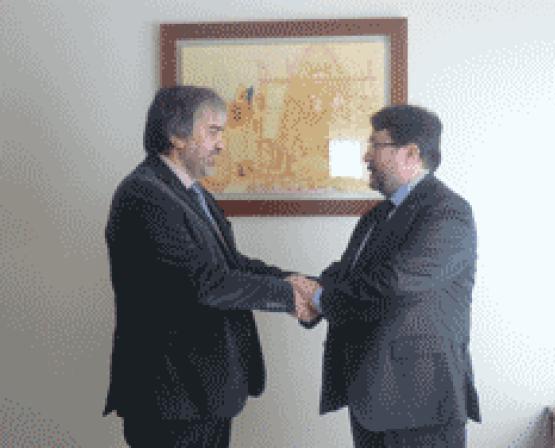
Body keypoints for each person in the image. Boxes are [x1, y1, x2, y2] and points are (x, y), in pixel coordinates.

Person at [103, 85, 315, 448]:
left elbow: (231, 264)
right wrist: (288, 295)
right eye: (213, 131)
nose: (221, 144)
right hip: (170, 397)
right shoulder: (144, 195)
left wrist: (292, 280)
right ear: (176, 135)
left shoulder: (192, 193)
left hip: (202, 393)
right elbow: (204, 282)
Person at [292, 104, 481, 447]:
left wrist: (318, 299)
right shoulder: (377, 215)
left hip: (421, 404)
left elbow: (394, 284)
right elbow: (345, 274)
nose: (366, 156)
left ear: (411, 154)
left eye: (375, 145)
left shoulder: (448, 212)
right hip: (372, 396)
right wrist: (299, 288)